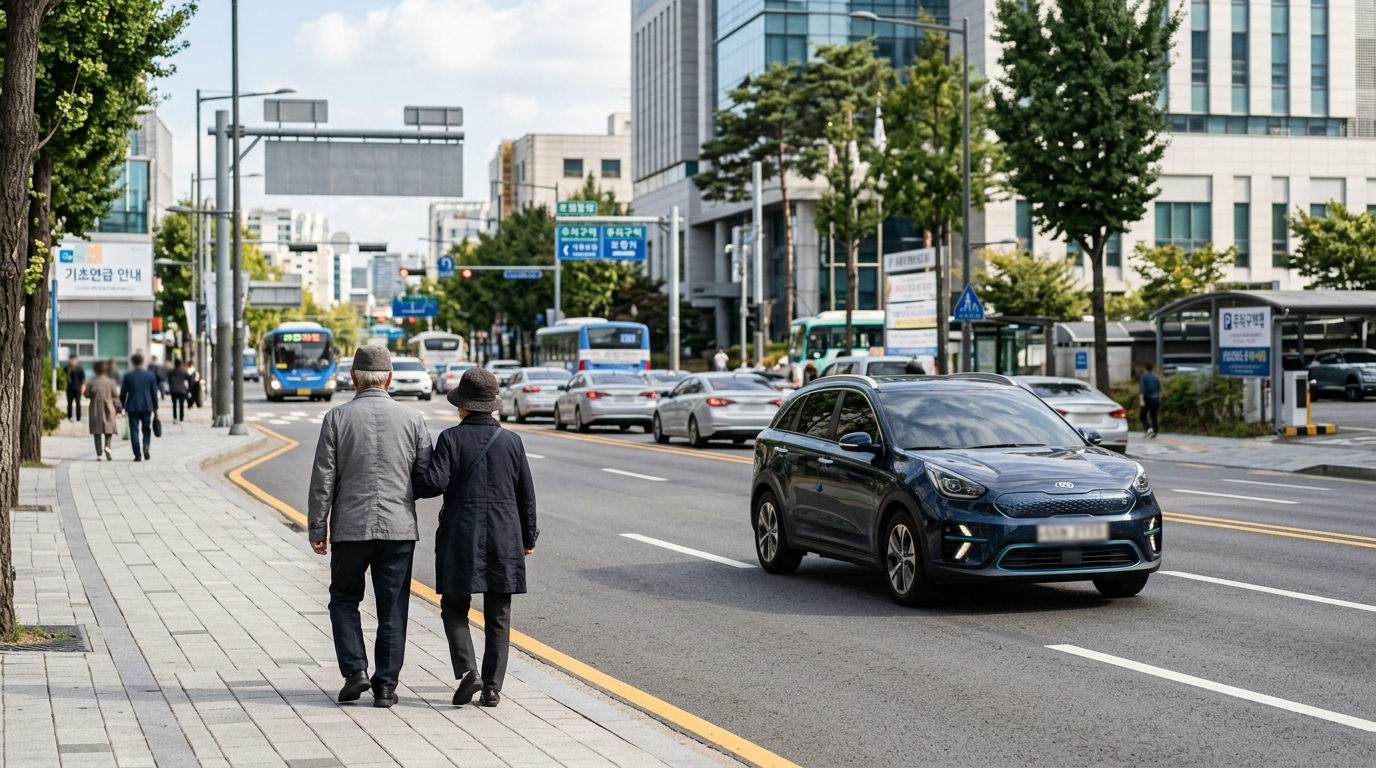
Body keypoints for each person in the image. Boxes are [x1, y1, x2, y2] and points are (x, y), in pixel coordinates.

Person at [308, 346, 432, 709]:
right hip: (398, 529)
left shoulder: (336, 418)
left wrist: (318, 528)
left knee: (344, 600)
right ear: (389, 378)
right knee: (392, 609)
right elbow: (425, 476)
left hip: (350, 527)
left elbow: (323, 478)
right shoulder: (413, 419)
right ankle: (386, 687)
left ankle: (355, 671)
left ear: (353, 378)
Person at [418, 368, 537, 708]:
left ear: (463, 406)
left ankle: (469, 671)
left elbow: (434, 484)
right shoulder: (513, 442)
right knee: (498, 613)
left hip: (460, 533)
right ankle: (492, 688)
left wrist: (411, 478)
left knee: (455, 606)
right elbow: (526, 494)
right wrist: (528, 536)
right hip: (505, 534)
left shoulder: (450, 439)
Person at [120, 353, 159, 461]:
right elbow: (154, 393)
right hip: (147, 406)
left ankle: (137, 454)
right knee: (146, 429)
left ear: (132, 362)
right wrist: (155, 407)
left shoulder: (128, 376)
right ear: (142, 362)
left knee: (134, 430)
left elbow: (123, 393)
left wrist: (122, 406)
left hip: (132, 406)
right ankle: (146, 446)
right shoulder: (150, 375)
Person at [86, 360, 120, 461]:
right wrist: (119, 408)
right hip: (108, 407)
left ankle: (99, 454)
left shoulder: (91, 381)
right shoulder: (111, 382)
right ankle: (107, 447)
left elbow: (87, 394)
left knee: (97, 431)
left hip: (95, 408)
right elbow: (116, 396)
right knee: (108, 429)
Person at [1139, 363, 1162, 439]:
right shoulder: (1156, 377)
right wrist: (1159, 399)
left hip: (1147, 399)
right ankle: (1155, 432)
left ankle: (1148, 429)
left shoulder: (1144, 377)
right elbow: (1159, 389)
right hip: (1155, 399)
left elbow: (1142, 389)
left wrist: (1141, 400)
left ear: (1146, 369)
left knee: (1142, 416)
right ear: (1152, 368)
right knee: (1154, 416)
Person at [65, 355, 86, 422]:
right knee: (69, 403)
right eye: (71, 360)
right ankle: (69, 416)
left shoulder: (80, 369)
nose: (73, 361)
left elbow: (83, 379)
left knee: (78, 403)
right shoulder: (67, 369)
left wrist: (83, 387)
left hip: (78, 389)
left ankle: (78, 417)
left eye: (74, 360)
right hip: (69, 389)